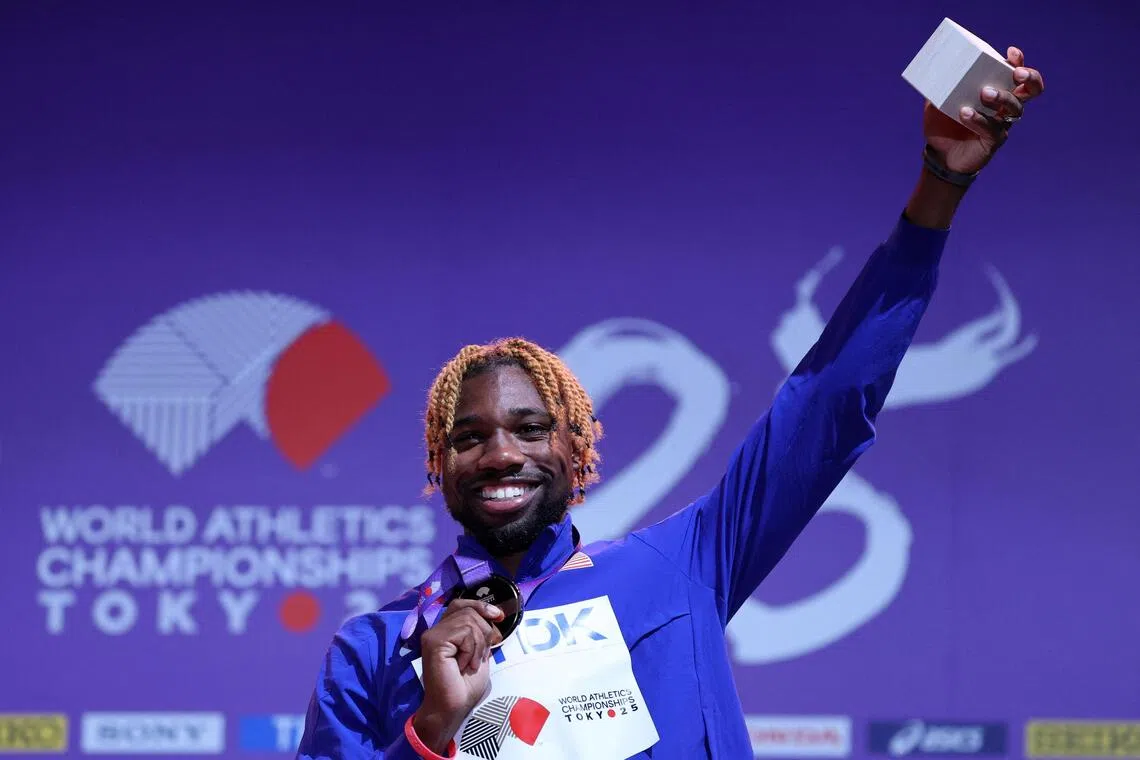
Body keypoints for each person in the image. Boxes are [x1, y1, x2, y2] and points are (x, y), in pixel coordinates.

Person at [296, 48, 1045, 760]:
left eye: (530, 429)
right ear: (439, 463)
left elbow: (827, 405)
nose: (500, 454)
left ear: (576, 448)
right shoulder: (377, 649)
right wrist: (431, 727)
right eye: (470, 438)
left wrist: (937, 186)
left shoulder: (684, 564)